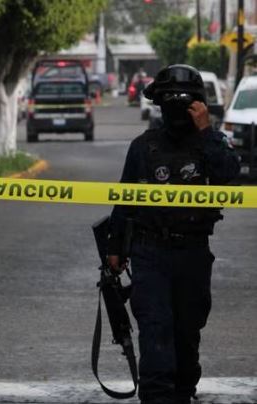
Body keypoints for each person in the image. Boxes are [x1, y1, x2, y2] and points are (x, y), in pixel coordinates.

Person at [107, 64, 240, 404]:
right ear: (160, 104)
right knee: (156, 333)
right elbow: (125, 199)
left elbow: (228, 177)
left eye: (186, 100)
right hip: (150, 252)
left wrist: (206, 131)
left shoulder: (210, 143)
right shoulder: (143, 147)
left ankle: (182, 395)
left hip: (193, 254)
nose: (178, 107)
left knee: (186, 335)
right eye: (171, 100)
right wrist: (116, 248)